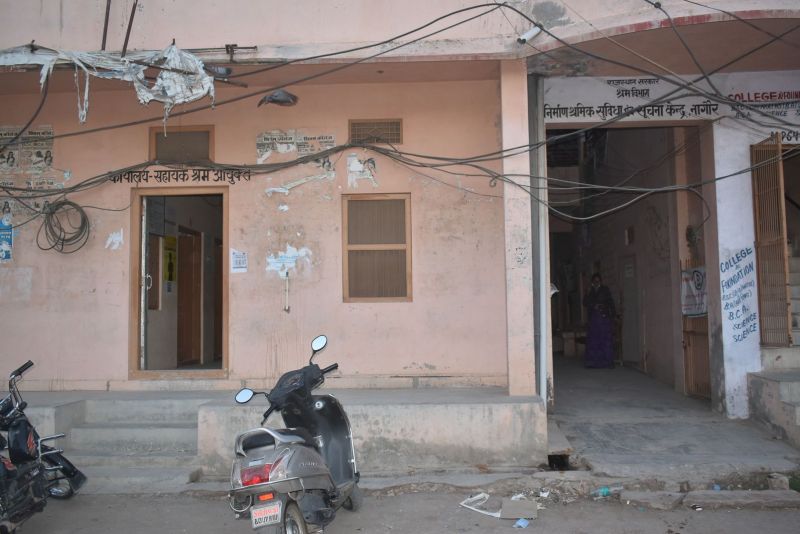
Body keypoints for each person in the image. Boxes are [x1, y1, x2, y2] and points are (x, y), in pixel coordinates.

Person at [583, 273, 616, 368]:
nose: (596, 283)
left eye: (598, 281)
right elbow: (585, 303)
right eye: (595, 281)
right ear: (592, 282)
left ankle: (607, 362)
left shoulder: (605, 290)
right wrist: (591, 302)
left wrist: (612, 315)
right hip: (593, 319)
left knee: (605, 340)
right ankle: (593, 362)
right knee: (593, 340)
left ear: (600, 281)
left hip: (603, 318)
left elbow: (610, 302)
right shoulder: (590, 291)